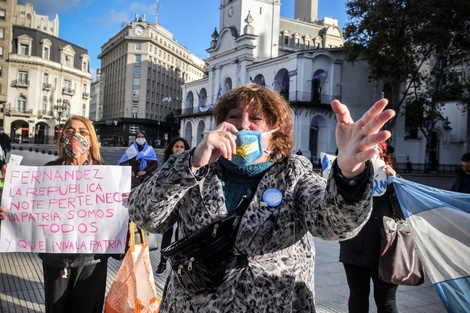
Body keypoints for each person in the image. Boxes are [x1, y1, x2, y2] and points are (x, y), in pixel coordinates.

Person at [126, 84, 395, 312]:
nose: (242, 125)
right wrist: (192, 162)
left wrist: (349, 173)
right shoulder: (197, 170)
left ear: (274, 132)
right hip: (193, 304)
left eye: (256, 118)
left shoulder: (294, 173)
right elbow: (144, 215)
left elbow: (336, 225)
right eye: (233, 116)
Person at [34, 116, 108, 312]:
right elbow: (32, 209)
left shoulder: (106, 174)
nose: (76, 136)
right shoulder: (49, 171)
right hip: (56, 257)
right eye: (70, 131)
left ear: (91, 140)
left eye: (83, 132)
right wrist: (12, 210)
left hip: (92, 259)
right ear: (62, 139)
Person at [339, 141, 401, 313]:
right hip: (354, 247)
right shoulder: (349, 178)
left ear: (383, 156)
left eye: (377, 151)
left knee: (386, 301)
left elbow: (403, 210)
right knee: (358, 297)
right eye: (367, 151)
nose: (372, 154)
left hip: (385, 249)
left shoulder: (392, 180)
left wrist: (394, 183)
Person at [155, 137, 190, 275]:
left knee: (180, 234)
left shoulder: (190, 162)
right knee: (167, 234)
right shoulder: (165, 163)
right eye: (177, 146)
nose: (179, 149)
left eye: (182, 147)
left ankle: (177, 262)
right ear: (171, 148)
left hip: (183, 203)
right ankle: (162, 262)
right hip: (168, 203)